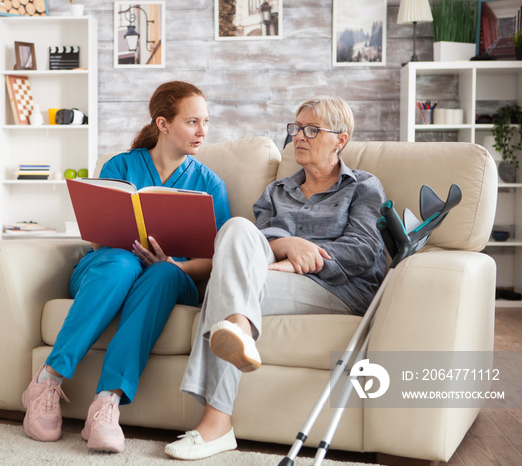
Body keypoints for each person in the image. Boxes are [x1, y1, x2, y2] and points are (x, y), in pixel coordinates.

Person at [165, 96, 387, 460]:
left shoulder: (363, 186)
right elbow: (257, 240)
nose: (299, 136)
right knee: (235, 228)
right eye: (296, 128)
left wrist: (301, 259)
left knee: (227, 281)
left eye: (312, 129)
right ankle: (238, 329)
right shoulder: (276, 191)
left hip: (338, 289)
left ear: (340, 140)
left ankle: (217, 421)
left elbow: (363, 250)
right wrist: (287, 244)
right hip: (272, 276)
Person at [21, 81, 231, 454]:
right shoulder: (119, 166)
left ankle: (107, 403)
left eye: (206, 122)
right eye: (192, 122)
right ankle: (47, 382)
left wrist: (172, 263)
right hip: (110, 264)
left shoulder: (209, 183)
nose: (202, 132)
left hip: (172, 277)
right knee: (120, 263)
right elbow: (98, 238)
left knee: (164, 273)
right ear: (163, 124)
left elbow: (215, 259)